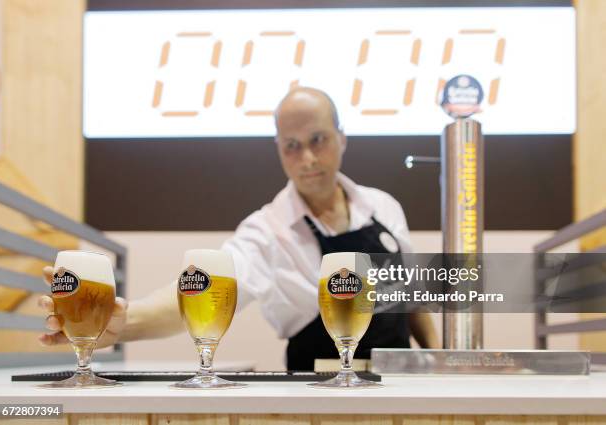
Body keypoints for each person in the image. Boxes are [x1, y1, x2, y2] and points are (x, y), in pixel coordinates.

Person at [38, 87, 438, 370]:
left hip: (398, 381)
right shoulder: (266, 232)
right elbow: (196, 292)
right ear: (279, 149)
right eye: (292, 145)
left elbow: (412, 299)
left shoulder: (384, 207)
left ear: (342, 138)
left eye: (319, 139)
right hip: (316, 391)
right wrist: (124, 323)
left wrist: (440, 363)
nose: (308, 158)